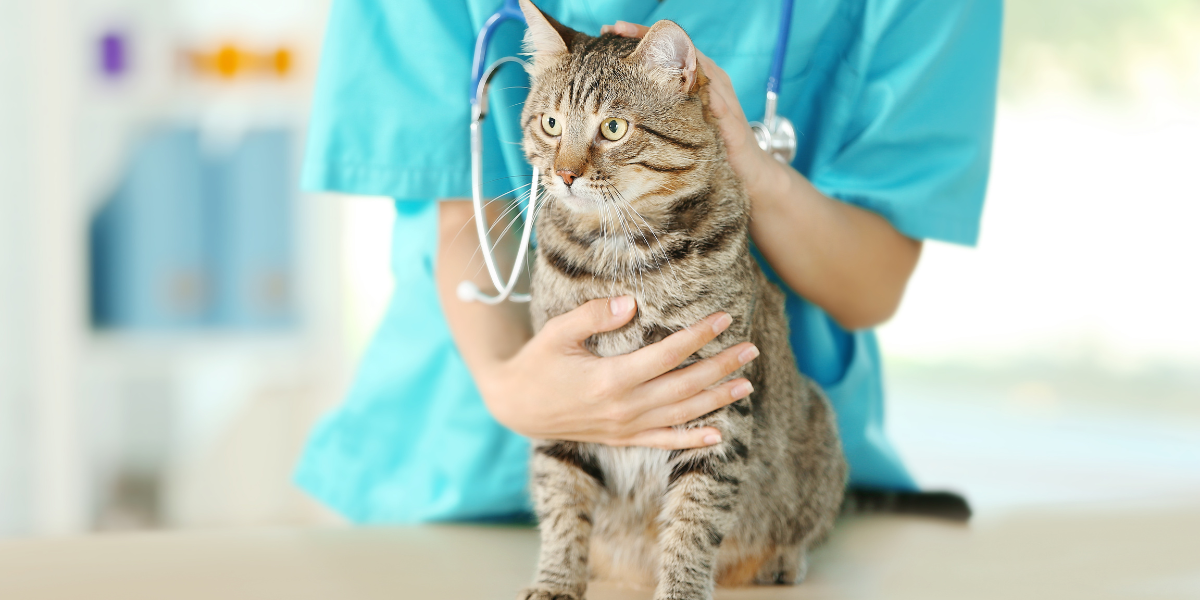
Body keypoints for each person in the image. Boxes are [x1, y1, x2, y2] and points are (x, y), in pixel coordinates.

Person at [294, 0, 1001, 523]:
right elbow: (461, 199)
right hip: (455, 473)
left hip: (741, 488)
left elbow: (873, 281)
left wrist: (745, 167)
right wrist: (510, 389)